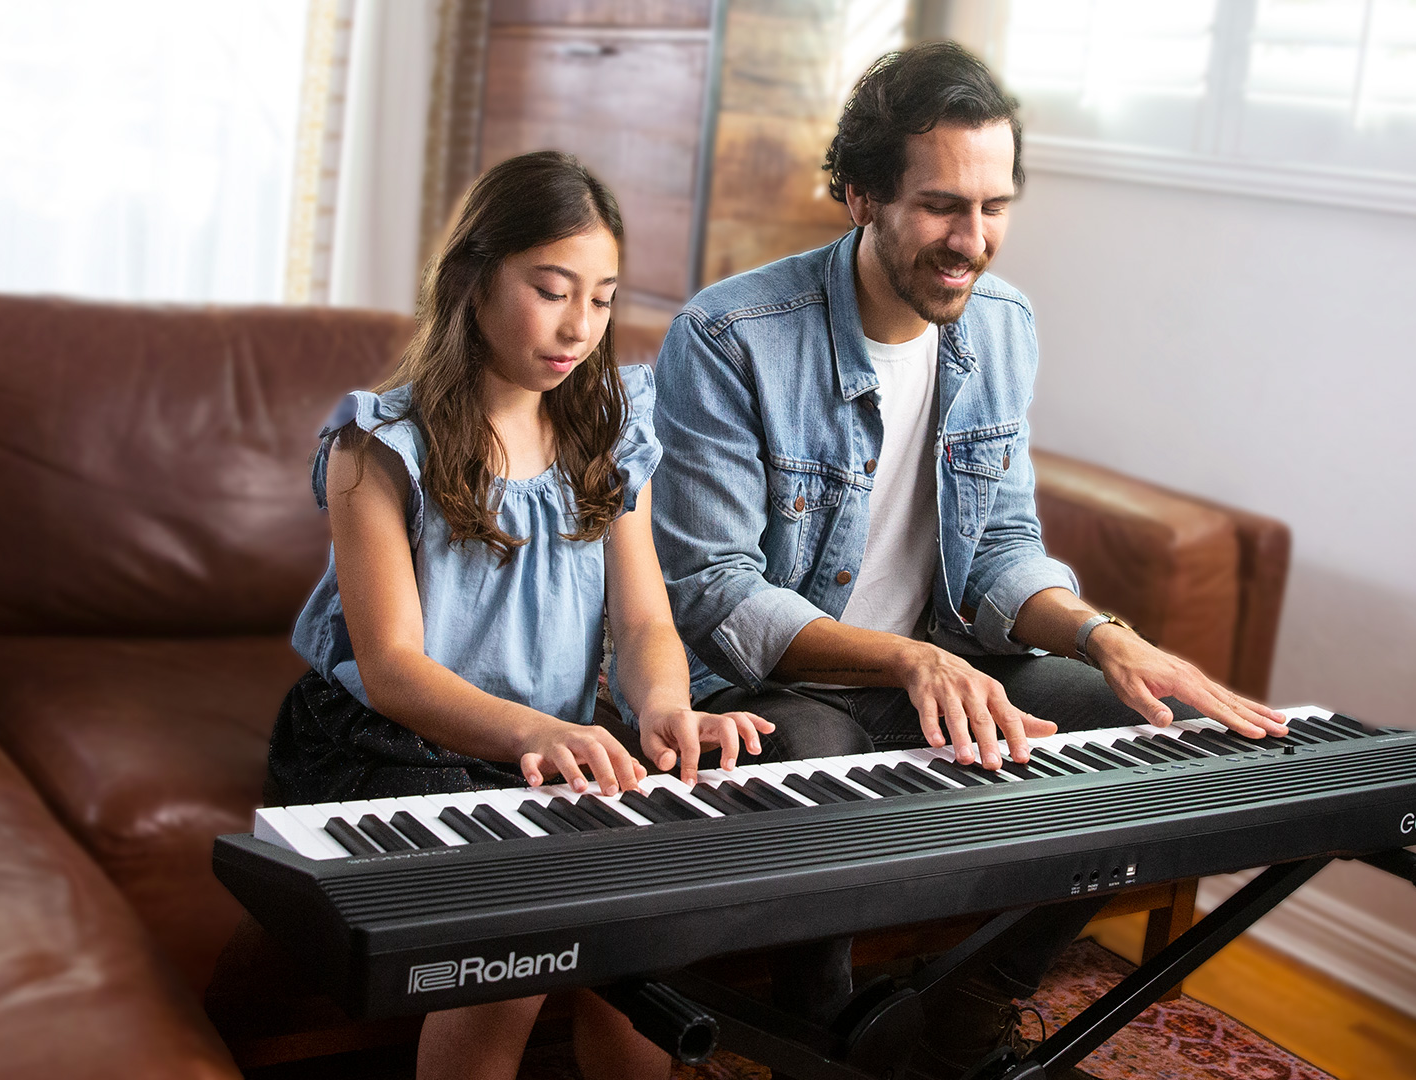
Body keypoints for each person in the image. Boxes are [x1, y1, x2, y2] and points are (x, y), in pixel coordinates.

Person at [647, 42, 1293, 1077]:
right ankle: (821, 1029)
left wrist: (1107, 637)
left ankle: (970, 1001)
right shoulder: (731, 335)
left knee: (1145, 726)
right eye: (944, 206)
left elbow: (998, 545)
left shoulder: (1003, 325)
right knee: (819, 761)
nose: (973, 240)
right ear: (860, 195)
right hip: (779, 682)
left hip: (944, 665)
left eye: (995, 206)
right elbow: (714, 591)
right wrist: (908, 661)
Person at [266, 151, 771, 1080]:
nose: (580, 325)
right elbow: (392, 669)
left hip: (545, 741)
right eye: (551, 290)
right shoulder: (377, 447)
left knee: (649, 928)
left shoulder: (610, 431)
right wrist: (543, 731)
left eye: (604, 297)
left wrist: (663, 709)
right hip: (391, 738)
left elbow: (647, 620)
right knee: (518, 937)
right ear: (471, 279)